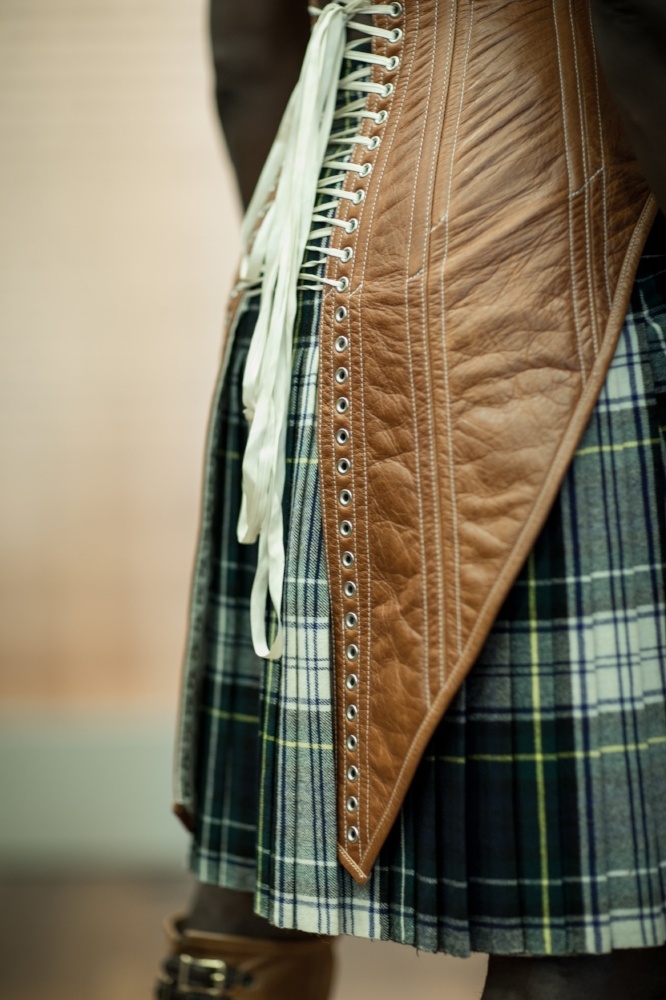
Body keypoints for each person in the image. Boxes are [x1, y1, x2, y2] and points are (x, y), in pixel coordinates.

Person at [156, 2, 666, 998]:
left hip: (303, 297)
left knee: (242, 888)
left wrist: (341, 291)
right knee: (581, 922)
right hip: (555, 312)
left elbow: (246, 51)